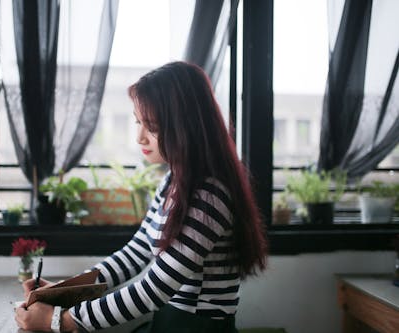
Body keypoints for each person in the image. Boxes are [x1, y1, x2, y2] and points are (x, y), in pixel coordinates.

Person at [15, 61, 268, 333]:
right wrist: (67, 290)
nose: (139, 137)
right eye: (138, 122)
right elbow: (135, 254)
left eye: (152, 126)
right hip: (170, 322)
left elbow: (154, 289)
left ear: (186, 126)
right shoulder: (174, 181)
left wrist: (60, 321)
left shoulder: (209, 195)